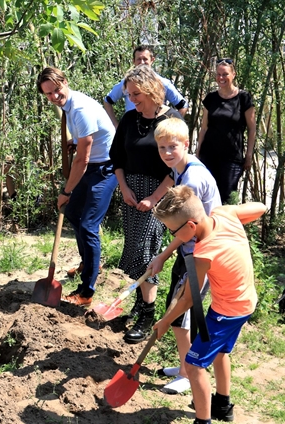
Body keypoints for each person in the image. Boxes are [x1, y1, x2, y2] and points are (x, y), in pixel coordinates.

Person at [152, 186, 266, 424]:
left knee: (193, 365)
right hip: (244, 302)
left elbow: (189, 299)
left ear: (190, 226)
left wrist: (165, 322)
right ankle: (223, 405)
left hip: (227, 312)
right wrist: (236, 222)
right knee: (219, 352)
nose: (174, 236)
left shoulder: (203, 253)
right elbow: (261, 207)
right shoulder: (224, 213)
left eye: (173, 231)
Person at [147, 117, 221, 395]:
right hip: (189, 250)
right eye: (162, 147)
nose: (166, 153)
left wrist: (162, 256)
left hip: (200, 254)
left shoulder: (192, 178)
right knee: (177, 309)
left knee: (182, 313)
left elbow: (188, 228)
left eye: (172, 147)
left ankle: (189, 373)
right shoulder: (180, 170)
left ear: (187, 144)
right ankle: (183, 367)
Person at [110, 64, 182, 344]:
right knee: (135, 251)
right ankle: (140, 303)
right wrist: (124, 187)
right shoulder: (129, 120)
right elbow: (117, 156)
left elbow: (175, 168)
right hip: (131, 193)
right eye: (129, 94)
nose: (132, 100)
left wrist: (154, 197)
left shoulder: (171, 120)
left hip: (159, 196)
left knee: (146, 254)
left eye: (136, 94)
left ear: (152, 90)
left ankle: (147, 314)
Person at [36, 67, 117, 305]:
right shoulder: (68, 106)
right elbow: (87, 142)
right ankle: (89, 263)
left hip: (104, 168)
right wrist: (76, 141)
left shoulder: (80, 109)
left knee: (89, 225)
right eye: (48, 94)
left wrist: (66, 191)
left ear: (65, 82)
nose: (53, 97)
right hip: (92, 164)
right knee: (72, 213)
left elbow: (81, 160)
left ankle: (86, 292)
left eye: (56, 90)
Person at [196, 58, 257, 204]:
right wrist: (198, 153)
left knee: (228, 199)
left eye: (225, 74)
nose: (221, 78)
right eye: (218, 74)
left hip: (232, 158)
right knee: (207, 198)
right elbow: (204, 127)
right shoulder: (210, 98)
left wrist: (248, 154)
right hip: (209, 155)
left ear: (233, 74)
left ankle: (227, 227)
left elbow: (252, 128)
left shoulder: (243, 98)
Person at [103, 45, 188, 129]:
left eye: (145, 59)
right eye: (139, 59)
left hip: (156, 131)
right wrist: (116, 126)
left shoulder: (163, 83)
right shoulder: (127, 83)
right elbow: (108, 101)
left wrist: (171, 128)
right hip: (132, 129)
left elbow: (183, 105)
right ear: (133, 61)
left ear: (152, 60)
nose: (142, 62)